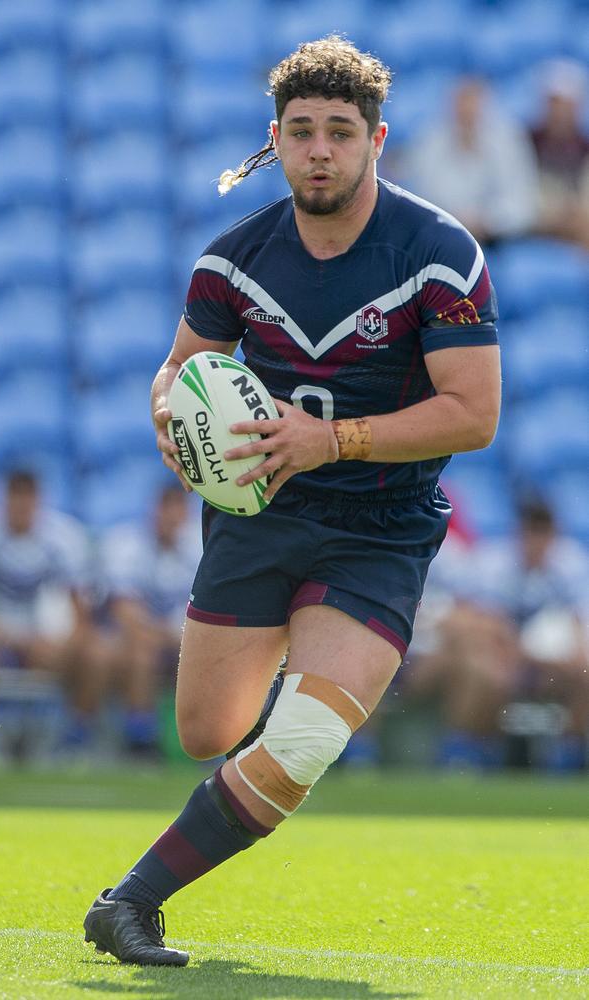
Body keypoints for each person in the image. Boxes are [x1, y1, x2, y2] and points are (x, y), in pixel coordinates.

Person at [84, 36, 501, 967]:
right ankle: (301, 675)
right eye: (302, 131)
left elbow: (474, 416)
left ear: (376, 141)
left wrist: (332, 441)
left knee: (303, 739)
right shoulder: (233, 260)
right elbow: (180, 367)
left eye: (340, 133)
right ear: (275, 139)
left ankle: (130, 902)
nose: (321, 149)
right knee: (209, 733)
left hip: (381, 529)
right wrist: (168, 410)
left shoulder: (440, 254)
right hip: (258, 515)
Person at [409, 497, 589, 770]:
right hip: (498, 652)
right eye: (531, 534)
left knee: (583, 671)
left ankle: (571, 754)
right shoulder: (493, 561)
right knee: (482, 668)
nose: (536, 544)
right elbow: (467, 617)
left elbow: (578, 623)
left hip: (547, 660)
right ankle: (465, 750)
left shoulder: (571, 563)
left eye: (543, 535)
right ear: (520, 533)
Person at [0, 469, 104, 754]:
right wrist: (13, 639)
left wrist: (63, 644)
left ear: (38, 502)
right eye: (15, 500)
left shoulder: (63, 536)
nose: (21, 509)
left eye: (27, 500)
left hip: (40, 636)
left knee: (93, 652)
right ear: (4, 500)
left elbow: (82, 615)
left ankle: (75, 738)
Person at [98, 483, 202, 756]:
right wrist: (169, 635)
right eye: (165, 508)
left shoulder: (201, 546)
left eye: (177, 509)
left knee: (210, 650)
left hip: (183, 637)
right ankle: (141, 736)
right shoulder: (126, 543)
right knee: (141, 650)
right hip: (133, 638)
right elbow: (124, 610)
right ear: (153, 510)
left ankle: (207, 736)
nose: (170, 517)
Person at [396, 74, 539, 247]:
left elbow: (520, 200)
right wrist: (454, 219)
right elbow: (421, 193)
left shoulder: (508, 140)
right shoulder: (430, 140)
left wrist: (488, 221)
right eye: (461, 103)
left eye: (474, 103)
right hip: (440, 234)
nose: (467, 111)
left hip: (498, 238)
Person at [528, 59, 589, 250]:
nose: (560, 111)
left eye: (566, 104)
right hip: (536, 220)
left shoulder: (584, 146)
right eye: (555, 103)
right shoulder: (528, 142)